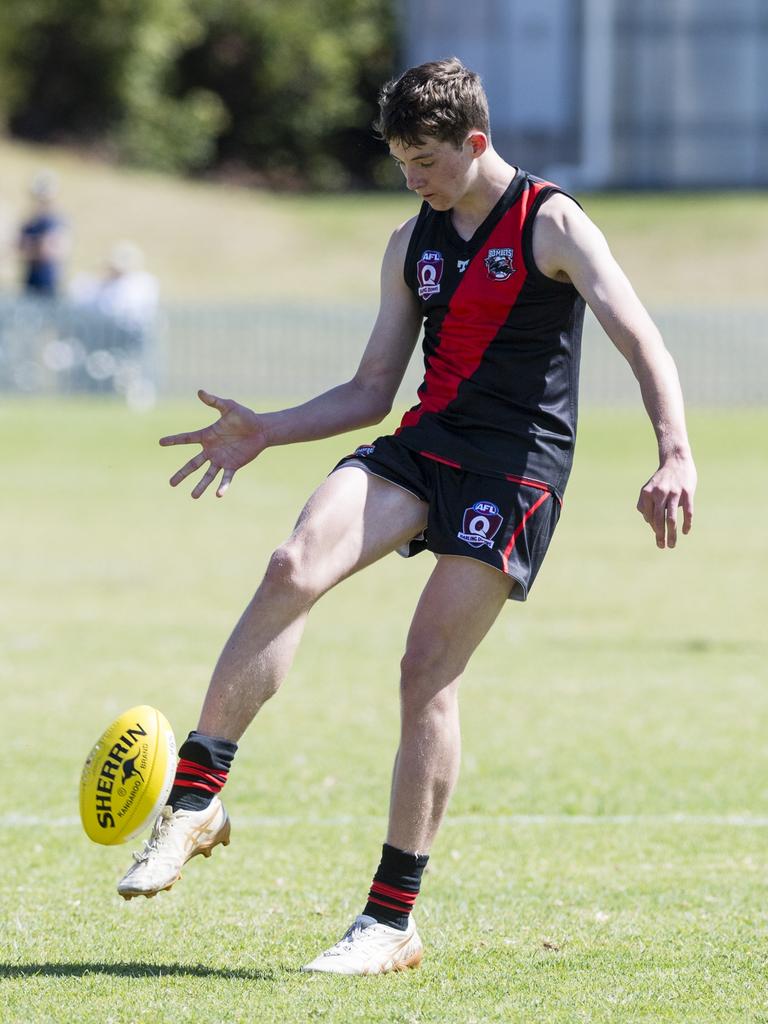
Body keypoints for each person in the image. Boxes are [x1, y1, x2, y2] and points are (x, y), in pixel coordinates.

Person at [117, 58, 697, 974]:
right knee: (290, 567)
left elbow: (640, 334)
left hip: (516, 473)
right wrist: (266, 429)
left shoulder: (551, 222)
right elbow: (370, 389)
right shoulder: (410, 240)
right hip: (424, 444)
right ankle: (197, 798)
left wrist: (674, 449)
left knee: (424, 670)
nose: (412, 179)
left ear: (475, 141)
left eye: (425, 161)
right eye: (399, 163)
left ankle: (391, 921)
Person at [18, 170, 68, 297]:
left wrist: (30, 248)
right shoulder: (32, 220)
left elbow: (46, 251)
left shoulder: (52, 220)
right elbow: (20, 245)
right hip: (30, 276)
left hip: (46, 279)